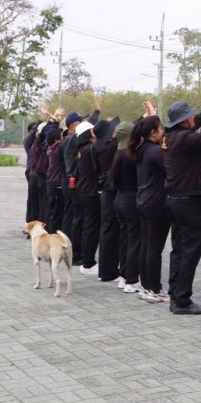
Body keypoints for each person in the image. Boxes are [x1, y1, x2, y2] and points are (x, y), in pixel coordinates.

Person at [162, 95, 201, 315]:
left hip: (173, 200)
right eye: (191, 116)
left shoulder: (169, 137)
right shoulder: (185, 139)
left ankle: (175, 294)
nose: (193, 118)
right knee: (190, 251)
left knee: (179, 250)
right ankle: (182, 300)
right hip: (188, 202)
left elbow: (194, 127)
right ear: (184, 120)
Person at [134, 114, 170, 303]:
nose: (163, 131)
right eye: (161, 128)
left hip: (143, 201)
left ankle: (146, 285)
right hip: (156, 203)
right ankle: (155, 289)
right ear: (153, 132)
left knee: (146, 245)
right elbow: (169, 169)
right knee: (154, 248)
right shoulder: (155, 152)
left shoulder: (141, 149)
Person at [62, 97, 101, 265]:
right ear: (72, 126)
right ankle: (77, 254)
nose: (84, 123)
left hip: (73, 181)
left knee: (76, 218)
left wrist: (97, 112)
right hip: (75, 182)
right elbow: (88, 130)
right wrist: (96, 114)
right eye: (80, 121)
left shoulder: (72, 140)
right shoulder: (73, 140)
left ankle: (75, 252)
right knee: (79, 219)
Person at [109, 119, 142, 294]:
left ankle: (123, 275)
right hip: (131, 200)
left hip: (119, 199)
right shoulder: (133, 155)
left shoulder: (118, 154)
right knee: (134, 240)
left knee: (124, 239)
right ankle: (132, 280)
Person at [91, 116, 121, 283]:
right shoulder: (111, 147)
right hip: (111, 190)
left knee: (107, 230)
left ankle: (106, 269)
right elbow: (128, 131)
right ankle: (109, 271)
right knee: (110, 231)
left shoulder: (96, 147)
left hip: (105, 190)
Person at [72, 120, 101, 276]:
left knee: (88, 226)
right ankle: (88, 262)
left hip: (83, 189)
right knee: (92, 227)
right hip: (90, 191)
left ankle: (86, 259)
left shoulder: (82, 149)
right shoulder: (91, 149)